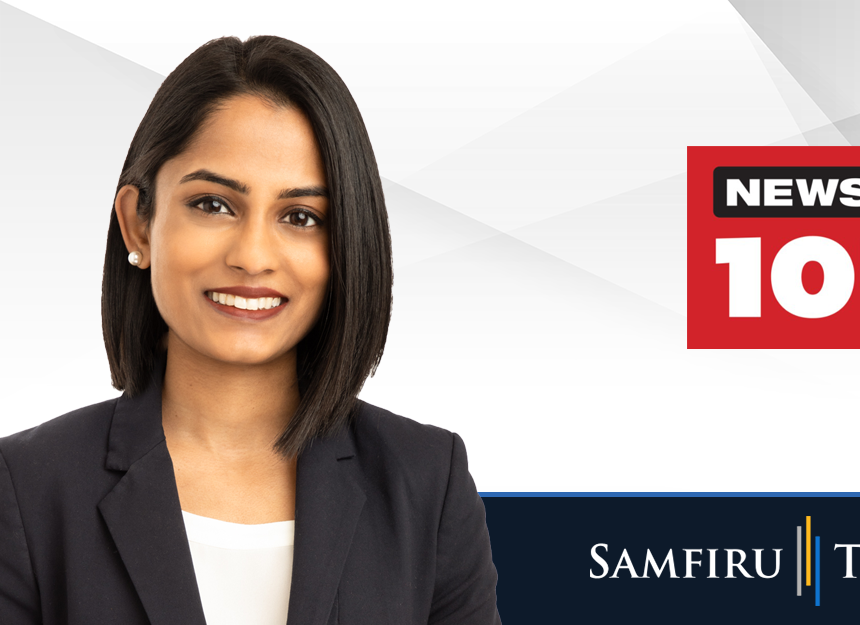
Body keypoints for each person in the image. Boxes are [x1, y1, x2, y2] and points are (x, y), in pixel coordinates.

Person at [0, 35, 501, 625]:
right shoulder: (27, 489)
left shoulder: (425, 482)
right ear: (139, 224)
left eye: (301, 217)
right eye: (213, 204)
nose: (253, 255)